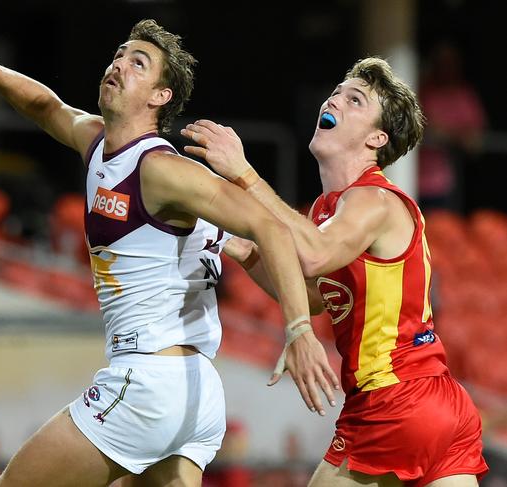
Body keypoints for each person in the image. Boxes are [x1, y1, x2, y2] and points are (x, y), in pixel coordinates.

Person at [0, 19, 339, 487]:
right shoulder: (98, 142)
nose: (118, 65)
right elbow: (46, 107)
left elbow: (267, 226)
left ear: (160, 96)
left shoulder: (161, 170)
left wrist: (300, 329)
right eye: (119, 55)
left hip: (146, 382)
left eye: (137, 63)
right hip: (193, 396)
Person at [182, 56, 488, 486]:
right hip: (441, 405)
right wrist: (240, 249)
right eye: (337, 93)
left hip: (391, 401)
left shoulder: (374, 200)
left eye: (355, 99)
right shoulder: (329, 211)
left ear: (376, 138)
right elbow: (315, 296)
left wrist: (244, 174)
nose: (336, 99)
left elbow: (311, 256)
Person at [417, 40, 487, 213]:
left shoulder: (464, 94)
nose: (445, 67)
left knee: (444, 231)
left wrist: (448, 134)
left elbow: (475, 138)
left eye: (450, 62)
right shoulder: (422, 91)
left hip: (443, 181)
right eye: (440, 62)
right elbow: (422, 126)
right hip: (411, 177)